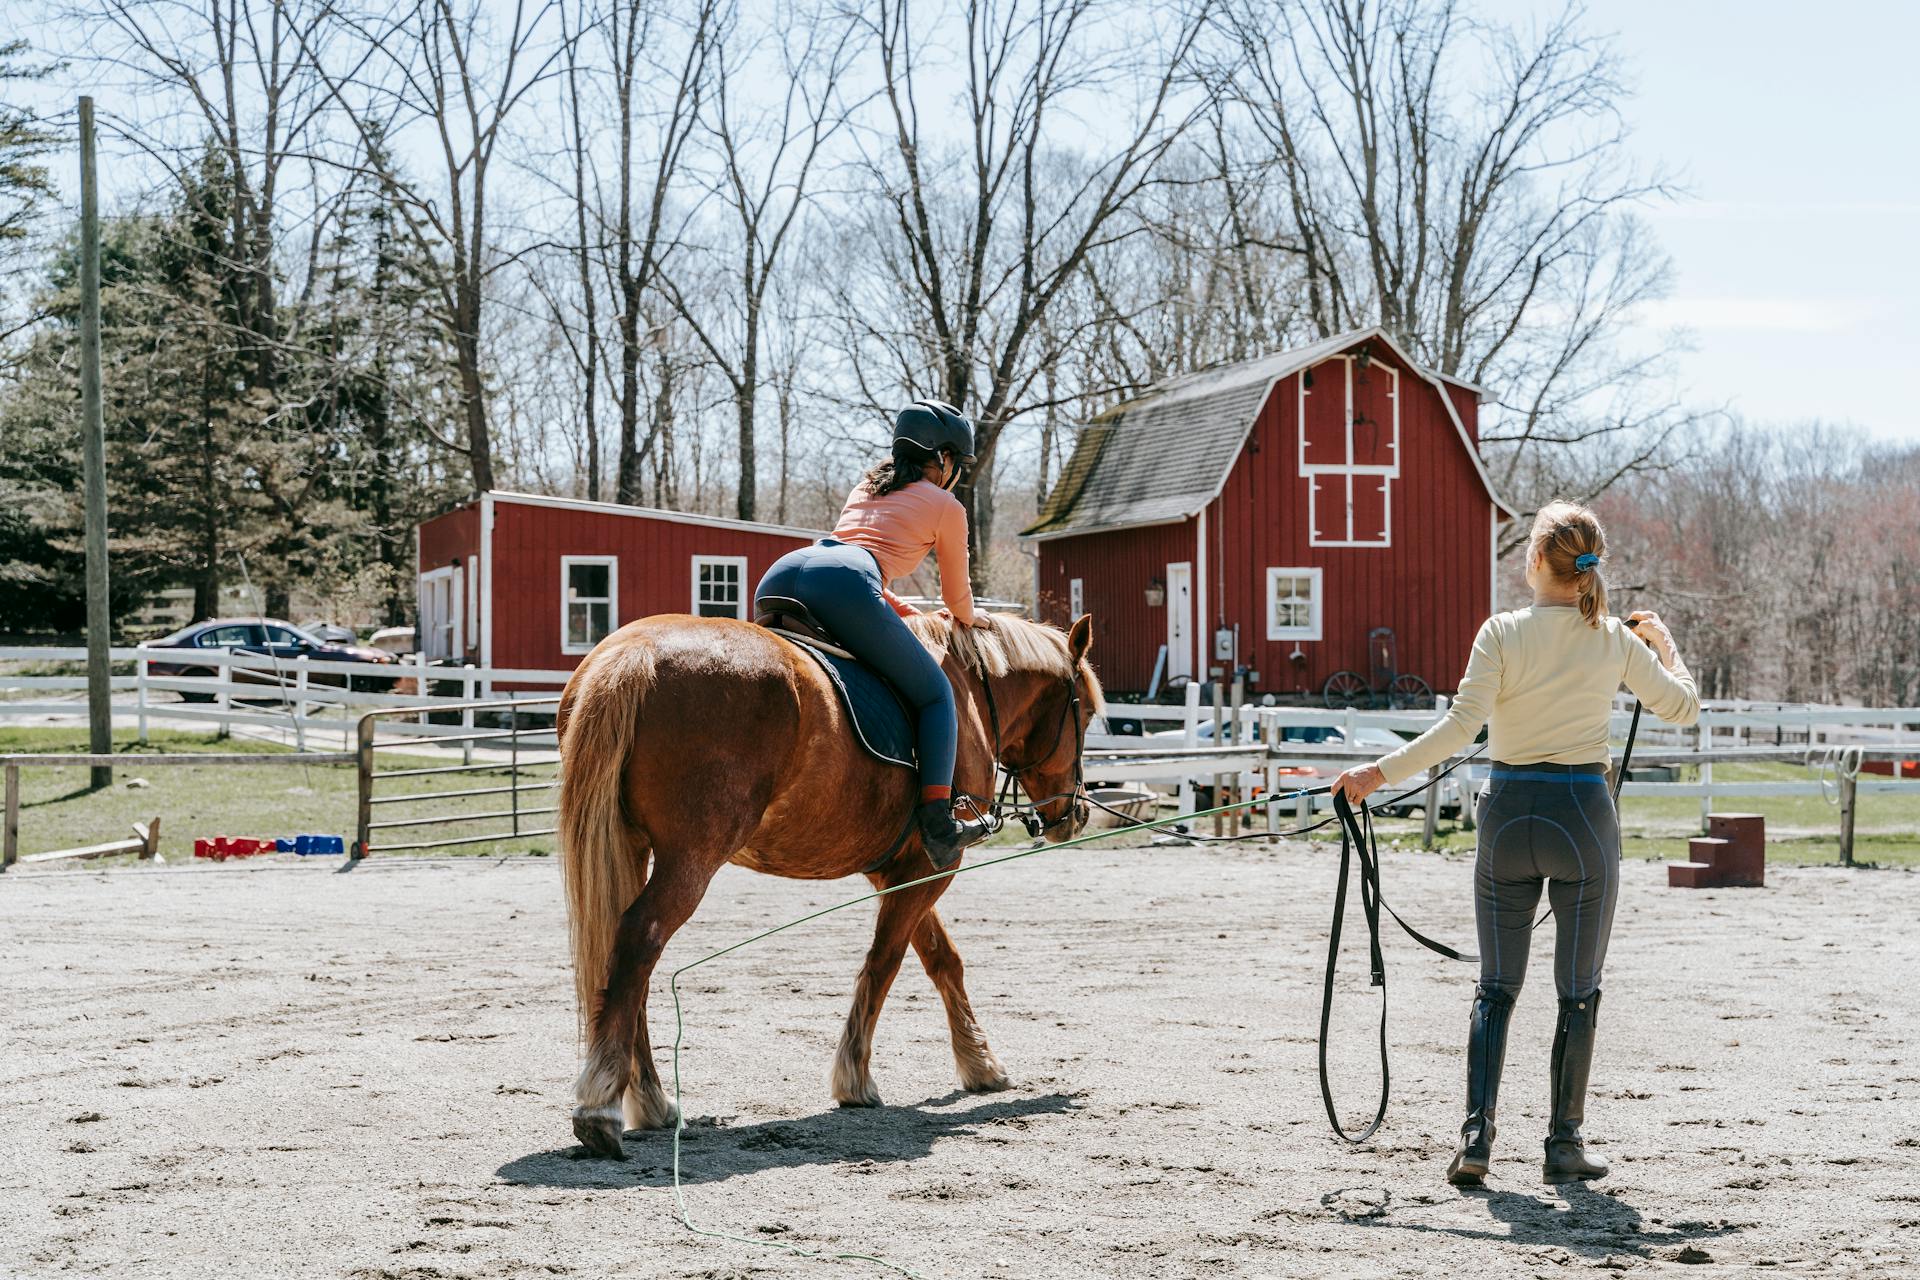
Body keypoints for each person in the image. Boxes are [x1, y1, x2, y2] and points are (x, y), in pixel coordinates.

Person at [1333, 500, 1700, 1187]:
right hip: (1583, 817)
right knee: (1578, 990)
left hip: (1507, 817)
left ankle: (1476, 1139)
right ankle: (1564, 1145)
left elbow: (1456, 731)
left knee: (1495, 987)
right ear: (1586, 569)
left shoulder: (1500, 633)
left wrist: (1375, 774)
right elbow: (1682, 705)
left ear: (1535, 562)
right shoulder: (1614, 640)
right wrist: (1664, 647)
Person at [754, 398, 995, 870]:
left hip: (784, 574)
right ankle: (938, 819)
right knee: (936, 695)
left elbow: (861, 574)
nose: (956, 474)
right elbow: (956, 596)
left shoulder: (869, 484)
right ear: (943, 459)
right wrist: (971, 617)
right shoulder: (946, 506)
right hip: (844, 584)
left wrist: (904, 609)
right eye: (957, 465)